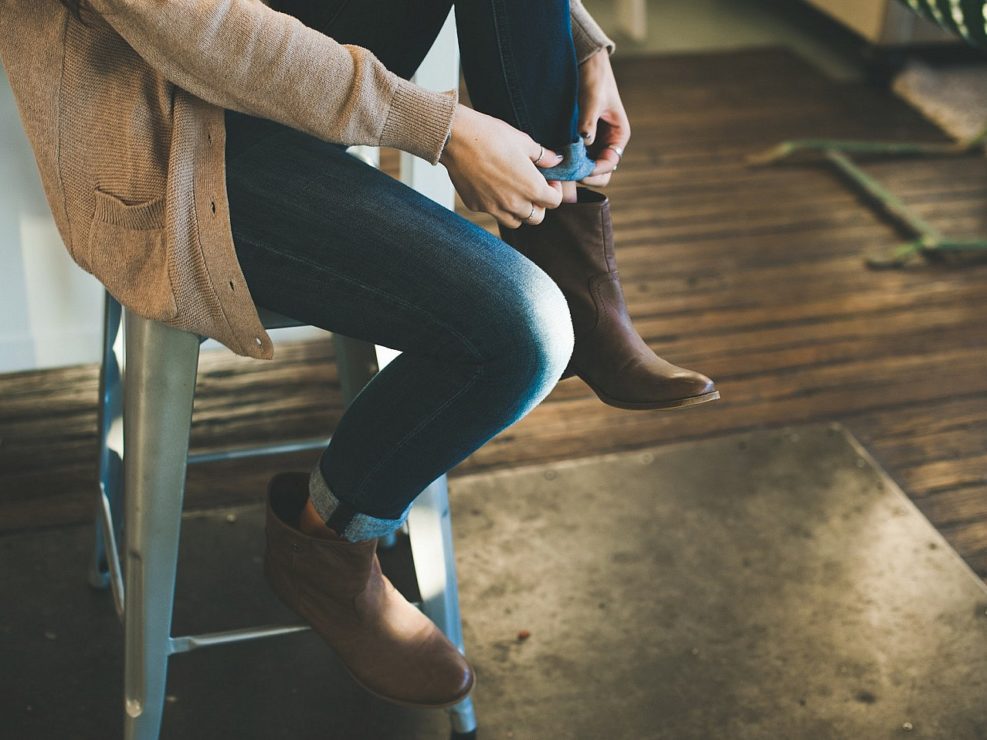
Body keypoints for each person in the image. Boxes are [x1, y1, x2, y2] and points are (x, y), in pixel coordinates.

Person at [1, 0, 718, 711]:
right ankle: (326, 549)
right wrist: (440, 130)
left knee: (539, 320)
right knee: (521, 334)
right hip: (173, 152)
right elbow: (202, 27)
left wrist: (577, 44)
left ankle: (569, 259)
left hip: (279, 90)